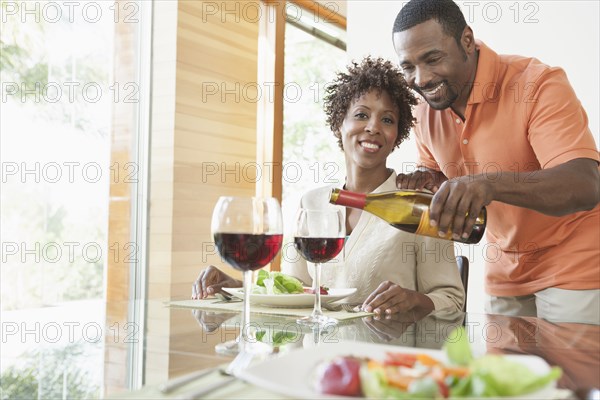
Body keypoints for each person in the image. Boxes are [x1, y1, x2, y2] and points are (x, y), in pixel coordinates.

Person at [193, 57, 465, 316]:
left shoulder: (418, 205)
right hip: (318, 360)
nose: (373, 127)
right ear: (339, 124)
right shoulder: (310, 203)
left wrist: (415, 300)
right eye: (361, 115)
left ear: (397, 135)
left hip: (385, 359)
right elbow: (295, 293)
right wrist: (238, 289)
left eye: (387, 120)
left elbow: (451, 301)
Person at [391, 0, 599, 324]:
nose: (421, 78)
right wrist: (428, 181)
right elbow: (437, 171)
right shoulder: (423, 111)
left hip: (573, 261)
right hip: (503, 269)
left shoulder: (537, 84)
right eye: (408, 66)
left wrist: (488, 184)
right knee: (503, 373)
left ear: (467, 41)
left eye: (432, 59)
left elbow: (584, 183)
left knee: (568, 375)